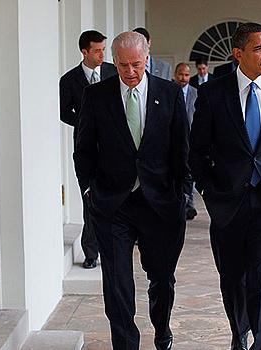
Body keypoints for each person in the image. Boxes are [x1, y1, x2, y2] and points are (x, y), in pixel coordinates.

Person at [73, 31, 189, 350]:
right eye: (123, 65)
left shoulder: (169, 94)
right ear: (114, 61)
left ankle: (162, 326)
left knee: (162, 279)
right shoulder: (96, 96)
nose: (130, 72)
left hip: (160, 204)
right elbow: (83, 150)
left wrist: (182, 194)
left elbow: (182, 149)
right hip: (113, 205)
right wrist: (88, 192)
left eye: (136, 64)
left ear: (147, 59)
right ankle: (126, 344)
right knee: (118, 283)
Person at [190, 22, 261, 350]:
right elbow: (197, 150)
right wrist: (209, 190)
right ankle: (239, 336)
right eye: (259, 48)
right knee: (233, 278)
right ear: (239, 54)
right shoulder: (212, 94)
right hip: (228, 204)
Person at [59, 30, 117, 269]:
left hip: (115, 147)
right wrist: (85, 124)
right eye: (97, 50)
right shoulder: (69, 80)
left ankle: (115, 248)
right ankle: (91, 252)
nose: (102, 54)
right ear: (84, 52)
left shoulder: (114, 72)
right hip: (86, 148)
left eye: (104, 49)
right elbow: (64, 112)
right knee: (89, 198)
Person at [174, 62, 199, 220]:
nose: (183, 78)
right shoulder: (168, 90)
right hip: (174, 139)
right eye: (181, 74)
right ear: (175, 74)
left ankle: (188, 203)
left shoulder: (195, 93)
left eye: (187, 75)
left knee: (189, 173)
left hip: (190, 140)